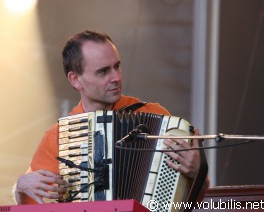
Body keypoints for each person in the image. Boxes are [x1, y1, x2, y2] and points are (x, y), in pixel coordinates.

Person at [13, 30, 210, 205]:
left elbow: (187, 205)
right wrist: (21, 186)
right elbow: (29, 205)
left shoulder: (156, 117)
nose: (116, 77)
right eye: (103, 72)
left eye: (117, 66)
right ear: (76, 80)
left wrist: (198, 174)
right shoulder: (58, 137)